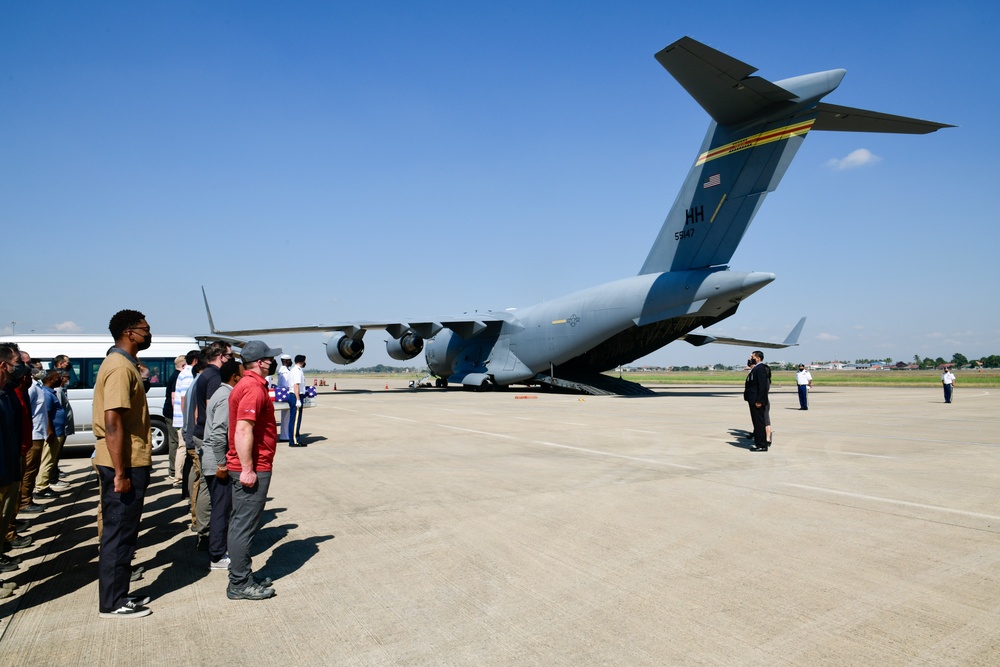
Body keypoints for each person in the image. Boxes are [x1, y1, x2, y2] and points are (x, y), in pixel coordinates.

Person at [93, 309, 155, 618]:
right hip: (124, 465)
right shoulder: (119, 367)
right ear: (129, 333)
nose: (149, 334)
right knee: (118, 534)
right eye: (145, 329)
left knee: (126, 533)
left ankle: (120, 594)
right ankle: (112, 603)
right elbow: (113, 423)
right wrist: (120, 473)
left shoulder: (125, 365)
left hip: (129, 463)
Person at [226, 340, 281, 600]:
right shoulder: (252, 388)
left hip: (253, 464)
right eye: (269, 358)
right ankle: (238, 583)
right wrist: (248, 468)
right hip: (252, 466)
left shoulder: (249, 385)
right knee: (244, 526)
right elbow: (243, 429)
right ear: (260, 362)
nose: (272, 361)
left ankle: (244, 575)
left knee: (243, 523)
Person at [188, 341, 232, 547]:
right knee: (208, 485)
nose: (231, 361)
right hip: (209, 436)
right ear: (221, 356)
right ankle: (206, 532)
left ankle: (203, 528)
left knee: (202, 483)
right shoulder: (214, 377)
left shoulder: (204, 375)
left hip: (201, 433)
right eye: (230, 357)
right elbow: (213, 410)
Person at [202, 359, 242, 570]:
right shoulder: (227, 396)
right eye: (242, 373)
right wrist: (221, 464)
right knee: (221, 507)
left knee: (221, 506)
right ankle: (217, 556)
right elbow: (219, 433)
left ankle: (217, 548)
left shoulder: (220, 392)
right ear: (235, 377)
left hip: (212, 458)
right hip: (217, 461)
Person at [34, 371, 66, 499]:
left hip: (58, 431)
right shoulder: (46, 394)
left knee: (50, 460)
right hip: (53, 433)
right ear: (50, 379)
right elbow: (46, 414)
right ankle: (41, 487)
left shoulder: (51, 392)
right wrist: (49, 431)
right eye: (57, 378)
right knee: (47, 460)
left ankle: (43, 484)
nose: (60, 380)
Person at [743, 350, 770, 452]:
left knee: (759, 423)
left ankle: (762, 445)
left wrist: (759, 401)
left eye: (752, 356)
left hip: (757, 402)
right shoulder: (755, 369)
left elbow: (762, 386)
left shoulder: (760, 369)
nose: (750, 358)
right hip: (753, 401)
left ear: (758, 358)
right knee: (756, 423)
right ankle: (758, 442)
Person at [163, 355, 184, 484]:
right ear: (183, 366)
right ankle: (174, 471)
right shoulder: (178, 377)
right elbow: (173, 397)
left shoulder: (173, 375)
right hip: (173, 414)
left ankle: (172, 470)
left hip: (168, 412)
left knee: (173, 441)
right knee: (176, 442)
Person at [287, 355, 306, 447]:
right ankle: (294, 441)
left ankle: (295, 439)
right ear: (302, 361)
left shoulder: (293, 370)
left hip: (293, 395)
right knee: (295, 420)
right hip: (295, 396)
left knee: (294, 419)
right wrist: (298, 399)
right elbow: (296, 385)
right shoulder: (297, 371)